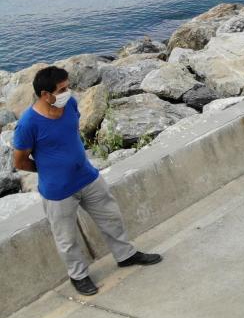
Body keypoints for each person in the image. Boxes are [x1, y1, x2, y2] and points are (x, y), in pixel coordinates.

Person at [11, 66, 162, 296]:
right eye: (62, 89)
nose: (68, 92)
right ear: (45, 94)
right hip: (58, 191)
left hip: (87, 177)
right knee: (67, 238)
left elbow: (71, 133)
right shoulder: (28, 124)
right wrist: (50, 169)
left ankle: (126, 255)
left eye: (68, 86)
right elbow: (20, 162)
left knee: (112, 218)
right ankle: (79, 276)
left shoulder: (69, 105)